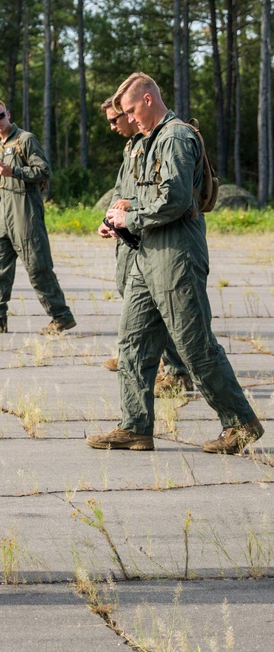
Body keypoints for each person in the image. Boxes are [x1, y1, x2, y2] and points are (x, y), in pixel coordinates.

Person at [86, 72, 263, 454]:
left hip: (176, 256)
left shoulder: (176, 137)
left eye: (132, 110)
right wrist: (114, 219)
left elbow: (177, 199)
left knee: (194, 344)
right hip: (144, 255)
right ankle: (135, 427)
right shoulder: (142, 143)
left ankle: (241, 422)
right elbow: (133, 194)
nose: (129, 119)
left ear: (148, 100)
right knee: (133, 342)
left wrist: (130, 219)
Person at [98, 97, 192, 396]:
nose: (115, 125)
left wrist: (132, 213)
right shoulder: (133, 147)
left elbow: (167, 196)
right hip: (130, 230)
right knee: (129, 291)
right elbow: (121, 189)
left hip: (148, 231)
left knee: (162, 309)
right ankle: (147, 360)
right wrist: (110, 220)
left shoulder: (164, 140)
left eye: (119, 117)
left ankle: (176, 370)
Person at [0, 100, 75, 336]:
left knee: (37, 266)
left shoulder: (25, 140)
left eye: (0, 116)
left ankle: (61, 316)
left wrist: (16, 172)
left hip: (25, 211)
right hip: (3, 215)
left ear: (7, 114)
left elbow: (44, 171)